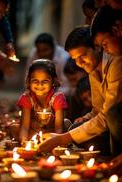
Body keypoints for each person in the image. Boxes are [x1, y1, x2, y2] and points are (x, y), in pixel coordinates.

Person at [38, 26, 122, 155]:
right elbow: (98, 109)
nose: (79, 63)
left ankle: (116, 155)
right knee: (75, 127)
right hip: (106, 124)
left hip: (116, 123)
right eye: (75, 59)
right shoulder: (93, 71)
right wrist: (85, 118)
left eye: (82, 56)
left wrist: (62, 138)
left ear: (97, 47)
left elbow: (106, 116)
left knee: (110, 117)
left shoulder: (116, 63)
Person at [10, 59, 69, 142]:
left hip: (52, 134)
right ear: (29, 81)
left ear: (53, 81)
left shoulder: (57, 98)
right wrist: (24, 141)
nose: (40, 85)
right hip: (33, 133)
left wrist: (55, 142)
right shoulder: (27, 98)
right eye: (35, 81)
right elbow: (25, 127)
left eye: (45, 81)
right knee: (14, 128)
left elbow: (59, 128)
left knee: (67, 124)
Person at [91, 7, 122, 155]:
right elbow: (97, 108)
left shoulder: (116, 61)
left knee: (114, 114)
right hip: (105, 121)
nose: (106, 50)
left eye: (104, 44)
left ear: (116, 30)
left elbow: (107, 113)